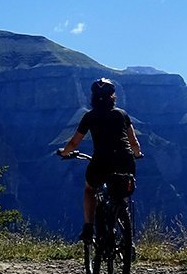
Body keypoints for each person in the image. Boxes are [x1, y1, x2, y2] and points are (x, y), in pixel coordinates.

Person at [57, 77, 143, 241]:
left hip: (101, 162)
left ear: (93, 97)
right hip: (125, 161)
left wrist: (64, 153)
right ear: (113, 96)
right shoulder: (122, 115)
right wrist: (137, 155)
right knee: (122, 191)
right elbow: (134, 143)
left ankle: (89, 227)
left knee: (90, 189)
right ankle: (127, 238)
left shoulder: (89, 117)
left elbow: (74, 142)